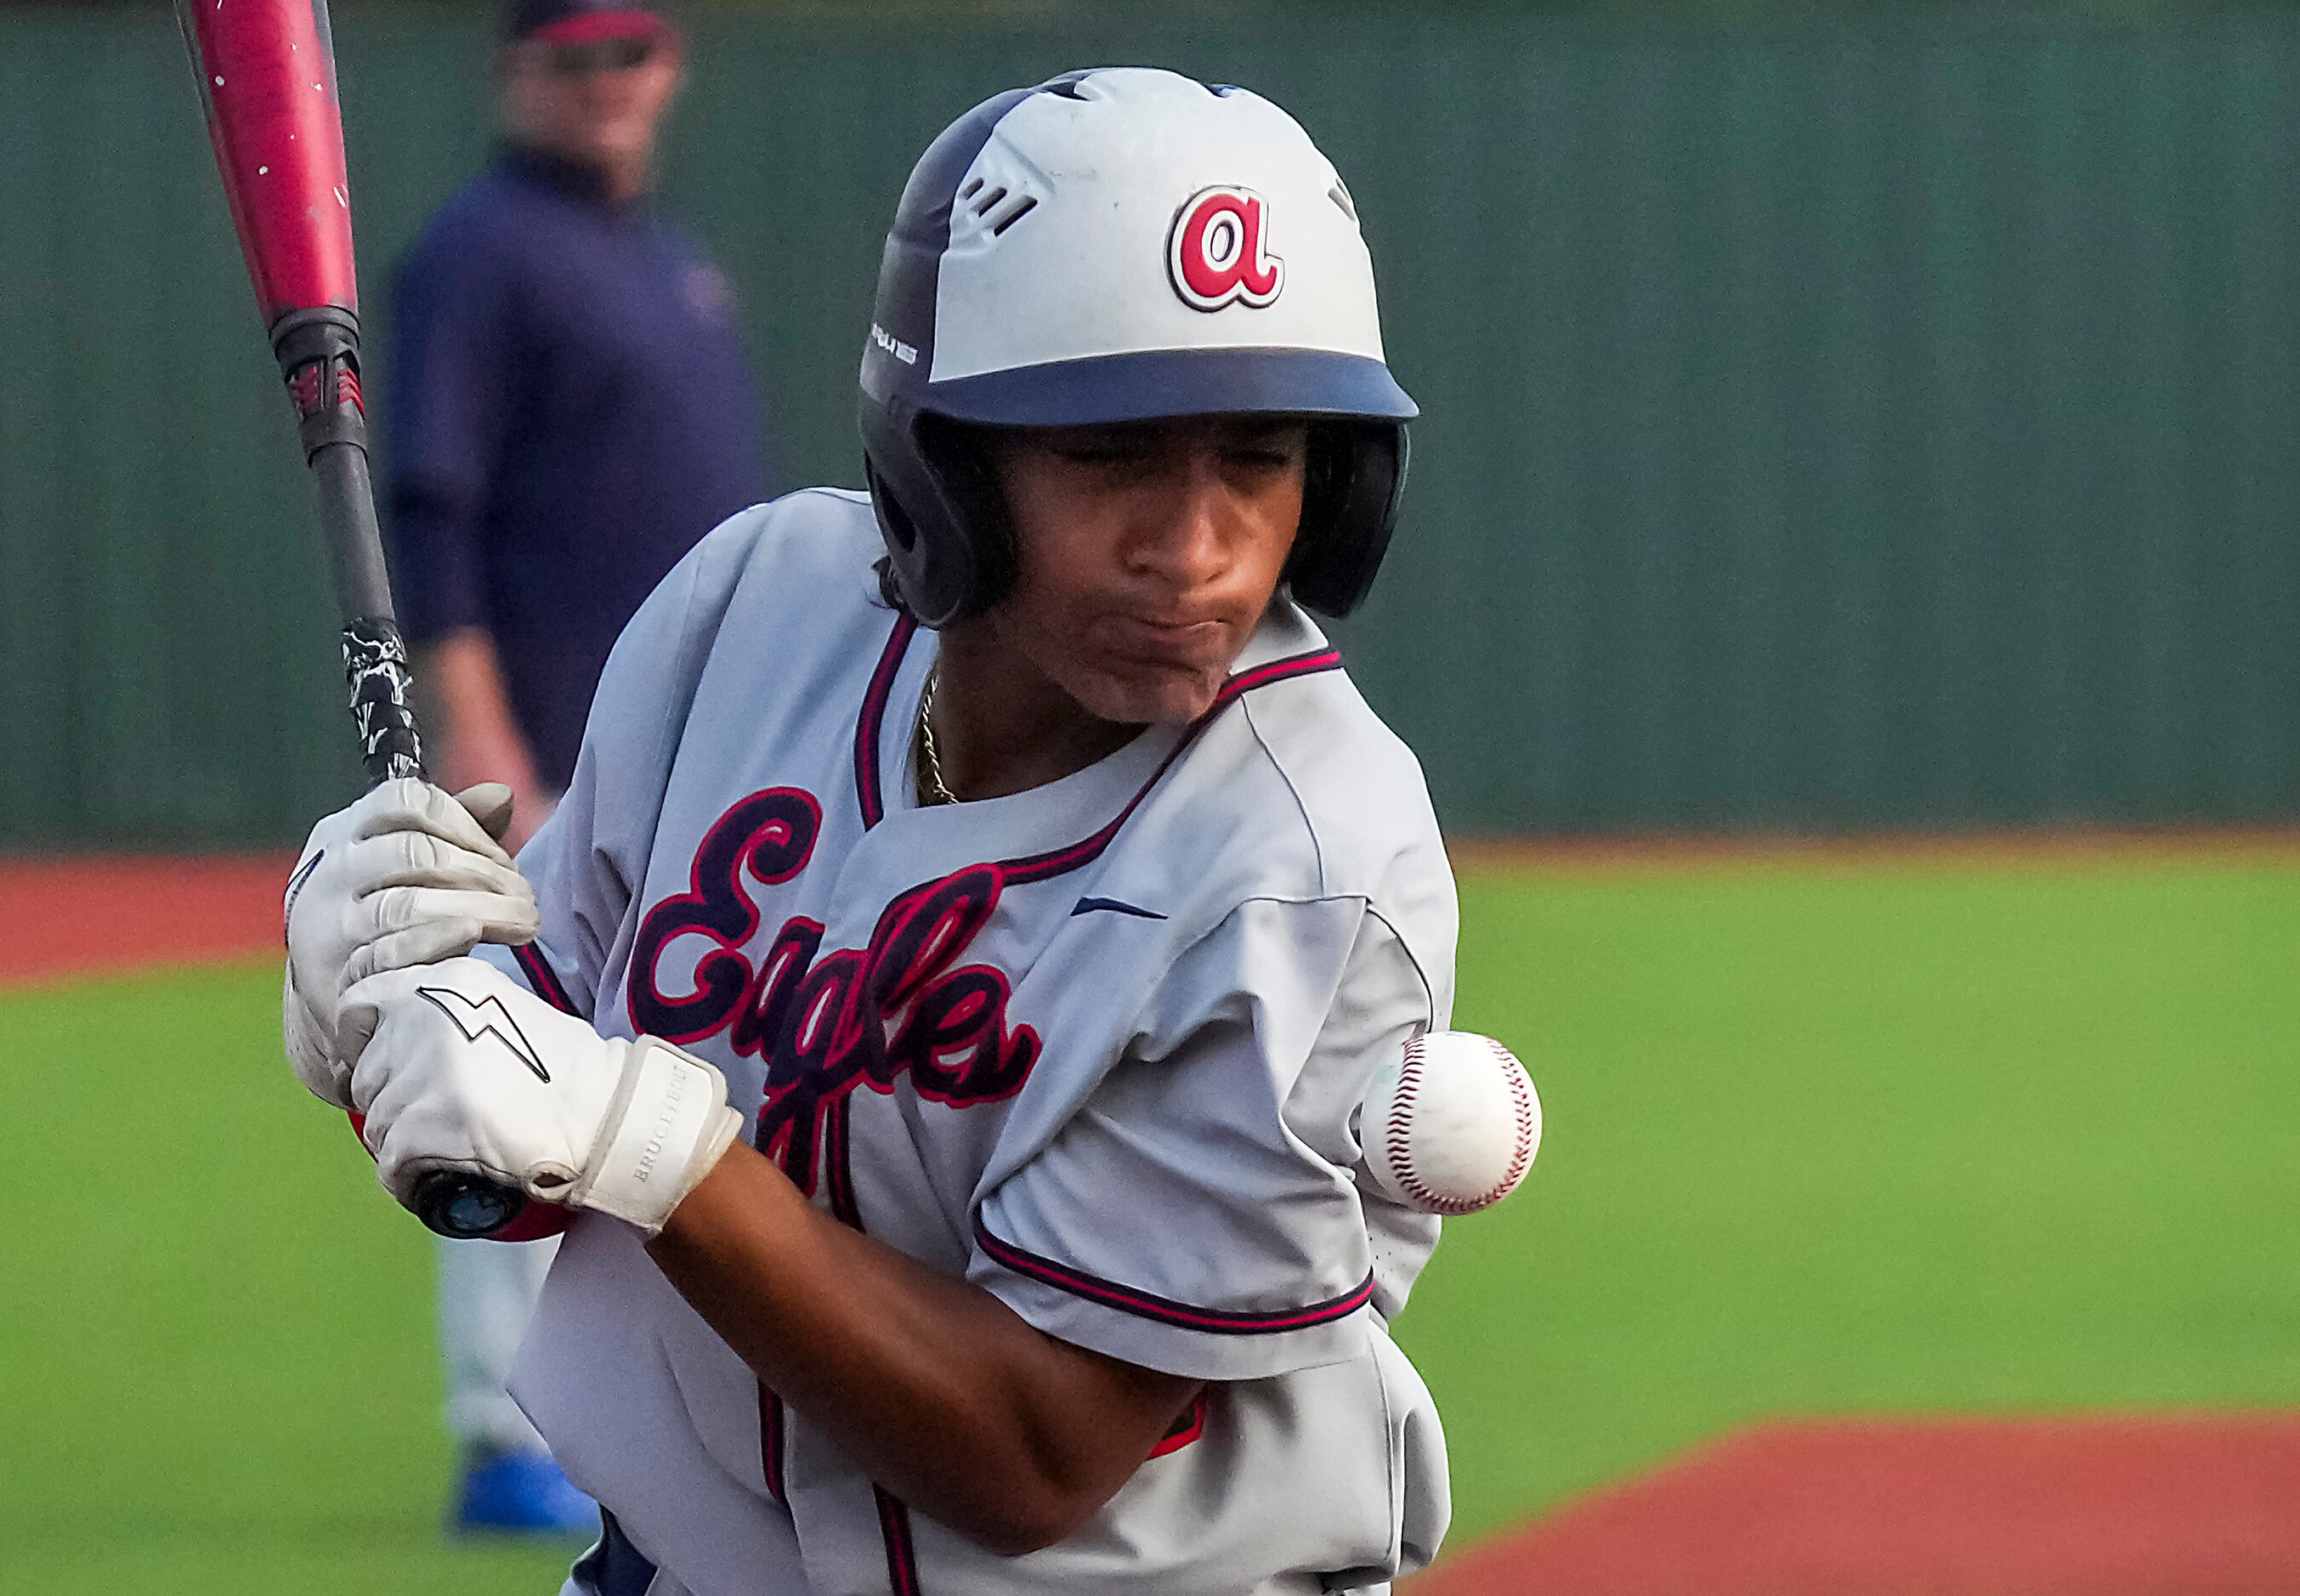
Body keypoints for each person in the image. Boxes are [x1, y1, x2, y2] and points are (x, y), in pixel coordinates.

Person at [287, 67, 1454, 1592]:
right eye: (1107, 453)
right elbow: (519, 1145)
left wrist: (645, 1142)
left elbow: (1030, 1451)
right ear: (949, 459)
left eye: (1259, 456)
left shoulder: (1305, 864)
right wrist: (395, 1015)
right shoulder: (748, 615)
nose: (1193, 546)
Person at [375, 0, 769, 1535]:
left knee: (669, 1077)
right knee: (502, 1071)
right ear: (513, 72)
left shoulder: (659, 255)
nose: (610, 84)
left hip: (689, 757)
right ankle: (499, 1433)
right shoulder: (482, 252)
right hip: (548, 753)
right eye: (575, 57)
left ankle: (642, 1412)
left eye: (635, 51)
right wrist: (476, 730)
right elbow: (433, 505)